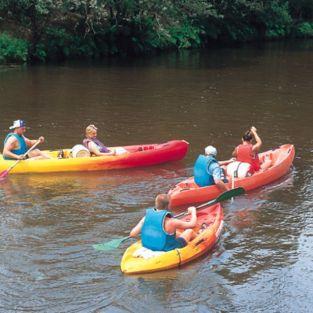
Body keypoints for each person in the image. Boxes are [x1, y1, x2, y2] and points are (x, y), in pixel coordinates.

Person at [129, 194, 197, 252]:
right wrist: (193, 211)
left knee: (176, 233)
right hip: (167, 248)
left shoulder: (145, 218)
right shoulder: (172, 222)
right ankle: (199, 240)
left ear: (156, 204)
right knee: (189, 231)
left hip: (149, 245)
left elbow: (132, 234)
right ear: (168, 206)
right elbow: (192, 224)